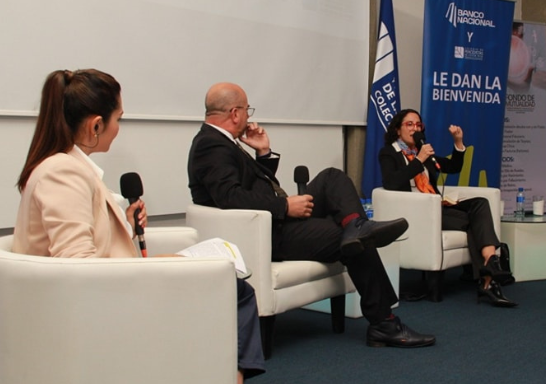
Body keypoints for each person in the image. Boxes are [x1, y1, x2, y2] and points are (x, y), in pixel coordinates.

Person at [13, 69, 265, 383]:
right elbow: (78, 269)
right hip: (97, 306)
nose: (119, 128)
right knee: (236, 291)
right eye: (118, 119)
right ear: (96, 125)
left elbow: (83, 240)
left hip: (106, 292)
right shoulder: (63, 172)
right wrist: (160, 265)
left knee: (233, 288)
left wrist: (127, 225)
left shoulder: (65, 166)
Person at [187, 82, 436, 348]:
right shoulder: (211, 145)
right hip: (268, 233)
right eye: (247, 110)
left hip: (272, 221)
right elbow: (230, 197)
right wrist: (285, 206)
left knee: (331, 177)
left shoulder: (221, 142)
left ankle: (356, 224)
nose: (249, 116)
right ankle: (384, 323)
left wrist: (263, 153)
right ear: (235, 113)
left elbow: (253, 186)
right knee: (354, 241)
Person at [378, 109, 517, 308]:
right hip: (417, 213)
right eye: (409, 124)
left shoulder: (421, 150)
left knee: (480, 203)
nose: (415, 128)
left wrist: (458, 142)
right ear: (398, 129)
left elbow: (452, 167)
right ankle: (489, 276)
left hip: (437, 208)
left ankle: (489, 266)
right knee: (475, 222)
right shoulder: (389, 153)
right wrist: (419, 161)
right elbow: (391, 182)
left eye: (418, 125)